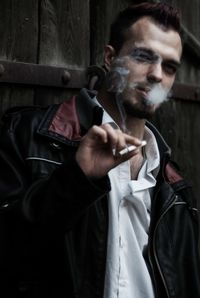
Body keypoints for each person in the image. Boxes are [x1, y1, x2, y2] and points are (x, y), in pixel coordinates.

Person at [0, 2, 199, 298]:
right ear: (110, 58)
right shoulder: (26, 136)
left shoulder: (176, 190)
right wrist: (76, 180)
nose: (157, 75)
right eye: (144, 57)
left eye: (169, 67)